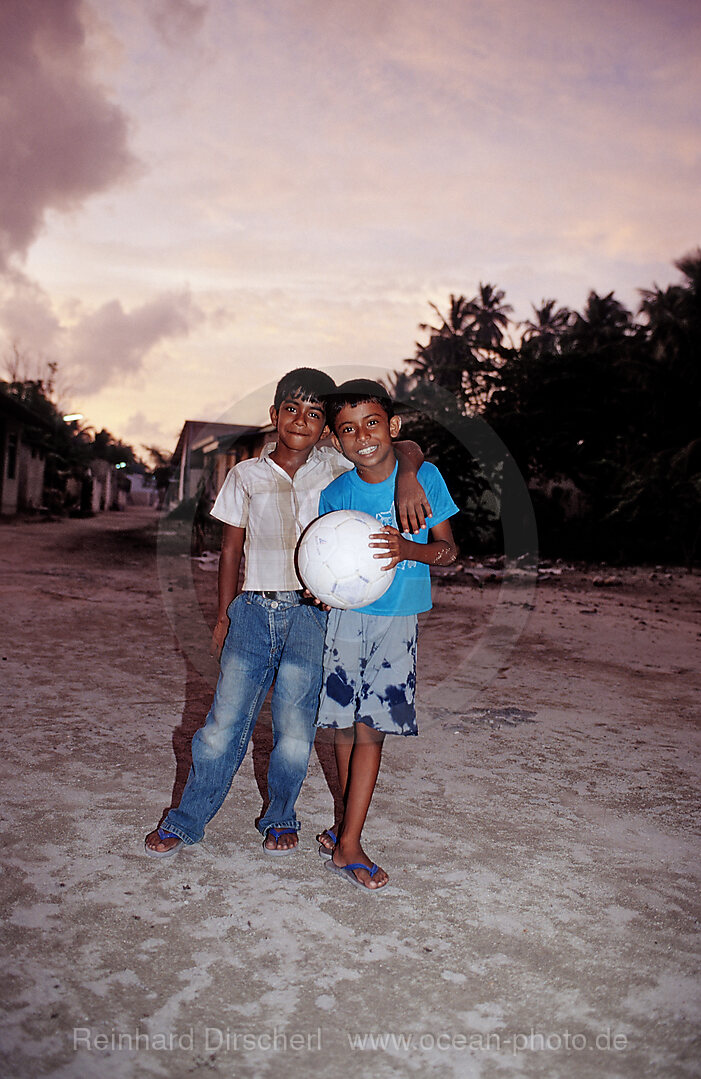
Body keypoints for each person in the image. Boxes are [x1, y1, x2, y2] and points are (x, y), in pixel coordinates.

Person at [145, 368, 429, 858]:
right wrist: (223, 613)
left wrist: (407, 473)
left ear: (326, 428)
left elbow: (402, 446)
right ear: (274, 415)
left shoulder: (337, 469)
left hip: (310, 618)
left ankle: (280, 816)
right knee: (221, 725)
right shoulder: (245, 475)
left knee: (295, 733)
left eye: (315, 413)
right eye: (291, 409)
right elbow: (230, 551)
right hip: (253, 610)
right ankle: (186, 819)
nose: (302, 420)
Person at [314, 379, 458, 890]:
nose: (362, 436)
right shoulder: (335, 494)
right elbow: (325, 560)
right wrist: (320, 590)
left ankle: (348, 842)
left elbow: (449, 551)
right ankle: (344, 830)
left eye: (372, 424)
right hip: (346, 622)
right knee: (343, 729)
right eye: (348, 430)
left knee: (370, 729)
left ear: (392, 427)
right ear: (336, 440)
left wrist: (407, 550)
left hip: (398, 621)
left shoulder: (424, 478)